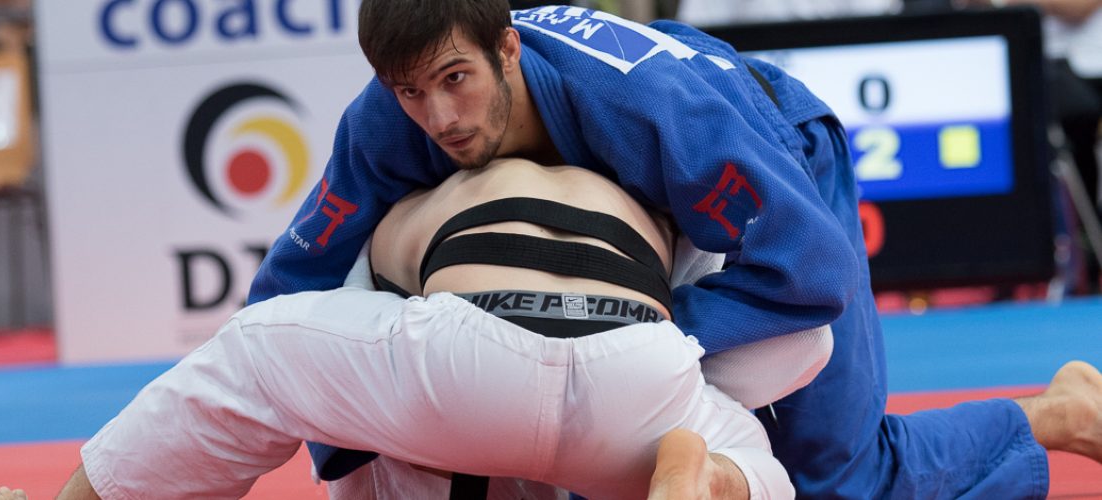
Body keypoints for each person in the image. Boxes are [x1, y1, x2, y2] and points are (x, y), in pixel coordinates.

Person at [242, 1, 1102, 498]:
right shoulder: (388, 118)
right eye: (411, 92)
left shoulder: (655, 111)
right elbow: (294, 283)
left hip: (778, 150)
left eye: (455, 81)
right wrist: (346, 431)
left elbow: (812, 272)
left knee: (837, 485)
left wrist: (645, 339)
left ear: (506, 46)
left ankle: (1051, 415)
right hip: (645, 227)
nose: (440, 120)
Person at [56, 159, 834, 499]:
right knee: (755, 462)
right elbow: (806, 342)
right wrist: (690, 373)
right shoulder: (651, 190)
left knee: (254, 353)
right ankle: (714, 480)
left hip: (466, 355)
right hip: (635, 374)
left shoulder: (404, 188)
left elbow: (333, 403)